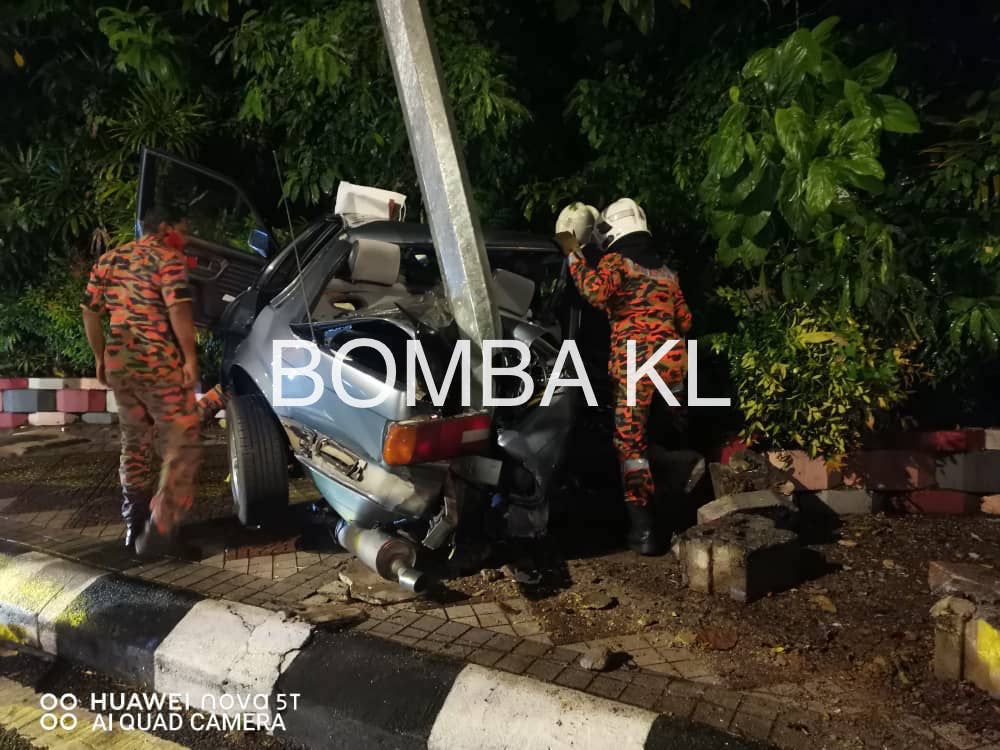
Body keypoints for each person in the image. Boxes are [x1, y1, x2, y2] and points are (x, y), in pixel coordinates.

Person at [555, 198, 692, 555]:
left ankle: (644, 532)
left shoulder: (617, 262)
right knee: (663, 435)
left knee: (631, 448)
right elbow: (685, 320)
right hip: (674, 366)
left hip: (636, 368)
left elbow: (595, 291)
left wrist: (571, 249)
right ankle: (677, 510)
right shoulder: (668, 273)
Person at [81, 205, 202, 556]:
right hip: (156, 361)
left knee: (135, 442)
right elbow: (178, 309)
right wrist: (190, 358)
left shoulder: (109, 260)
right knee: (182, 441)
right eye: (182, 230)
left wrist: (100, 356)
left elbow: (89, 311)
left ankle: (133, 525)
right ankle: (162, 528)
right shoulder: (167, 259)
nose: (185, 238)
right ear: (164, 228)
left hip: (120, 361)